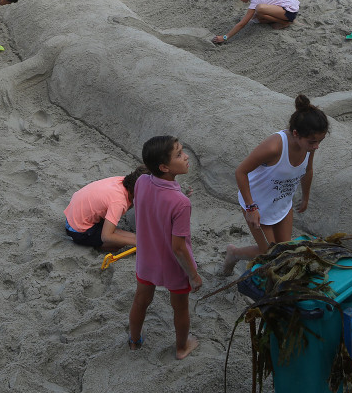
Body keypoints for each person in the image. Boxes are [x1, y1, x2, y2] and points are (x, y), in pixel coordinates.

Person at [220, 95, 328, 275]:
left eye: (319, 141)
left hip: (282, 204)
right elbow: (241, 172)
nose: (316, 146)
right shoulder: (274, 147)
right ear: (296, 134)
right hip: (258, 205)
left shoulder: (308, 147)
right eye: (312, 141)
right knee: (269, 254)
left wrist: (305, 196)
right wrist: (250, 208)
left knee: (284, 253)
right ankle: (234, 253)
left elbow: (308, 170)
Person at [128, 136, 201, 360]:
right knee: (180, 308)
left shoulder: (140, 182)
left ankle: (134, 340)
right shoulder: (181, 203)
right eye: (179, 154)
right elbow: (179, 248)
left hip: (147, 258)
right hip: (172, 265)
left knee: (141, 300)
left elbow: (153, 203)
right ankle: (181, 347)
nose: (186, 156)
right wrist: (194, 275)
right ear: (164, 167)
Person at [63, 167, 147, 250]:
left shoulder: (121, 181)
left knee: (132, 237)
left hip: (72, 216)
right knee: (126, 243)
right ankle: (99, 246)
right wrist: (137, 243)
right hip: (78, 230)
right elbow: (106, 237)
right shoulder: (118, 202)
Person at [213, 0, 300, 44]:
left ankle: (285, 22)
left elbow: (242, 24)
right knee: (256, 18)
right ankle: (282, 19)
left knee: (260, 9)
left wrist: (225, 37)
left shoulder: (256, 0)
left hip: (290, 11)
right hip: (290, 4)